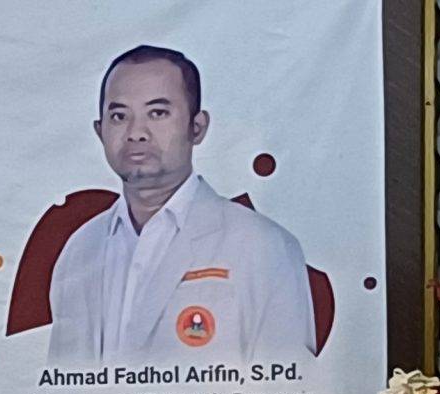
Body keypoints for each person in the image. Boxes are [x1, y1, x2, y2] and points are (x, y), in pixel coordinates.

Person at [45, 45, 314, 364]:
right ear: (99, 130)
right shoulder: (79, 252)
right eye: (119, 116)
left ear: (197, 128)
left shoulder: (262, 246)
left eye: (157, 113)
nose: (136, 133)